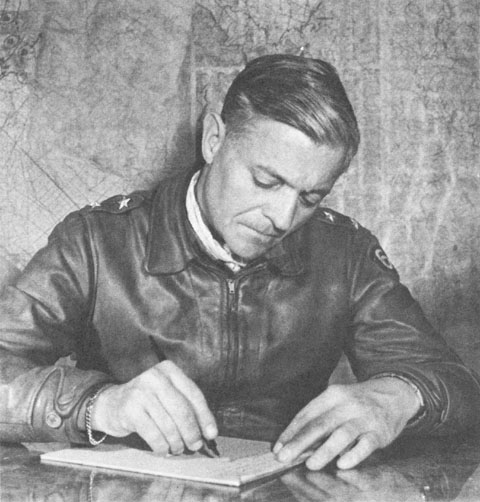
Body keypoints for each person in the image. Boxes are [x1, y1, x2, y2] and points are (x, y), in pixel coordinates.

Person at [1, 54, 479, 472]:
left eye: (311, 197)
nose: (283, 217)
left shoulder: (346, 254)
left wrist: (400, 395)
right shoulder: (98, 240)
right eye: (266, 181)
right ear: (214, 138)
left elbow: (459, 386)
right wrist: (97, 406)